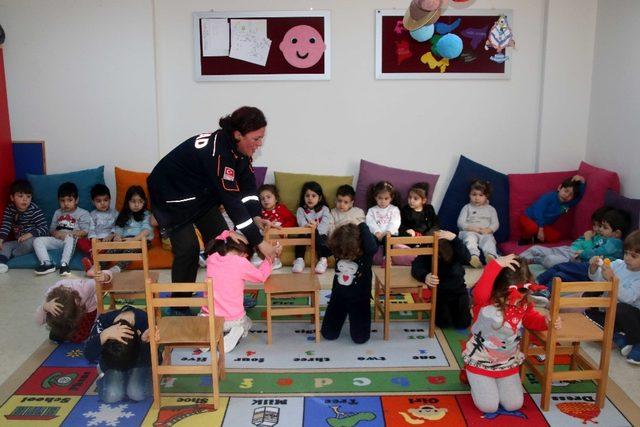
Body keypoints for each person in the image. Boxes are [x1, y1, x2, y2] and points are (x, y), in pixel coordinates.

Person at [147, 107, 278, 309]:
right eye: (256, 139)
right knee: (188, 249)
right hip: (171, 195)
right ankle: (179, 306)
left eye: (262, 138)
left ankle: (226, 296)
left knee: (225, 244)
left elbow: (248, 186)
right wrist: (259, 242)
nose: (259, 144)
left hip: (200, 194)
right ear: (237, 134)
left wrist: (256, 216)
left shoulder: (240, 149)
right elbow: (232, 202)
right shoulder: (220, 155)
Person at [462, 254, 561, 414]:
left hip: (506, 362)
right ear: (497, 288)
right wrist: (494, 266)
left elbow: (530, 319)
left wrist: (546, 322)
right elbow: (479, 293)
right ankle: (471, 376)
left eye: (522, 291)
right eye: (509, 294)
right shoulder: (485, 302)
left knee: (513, 404)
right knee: (489, 406)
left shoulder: (523, 302)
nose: (514, 299)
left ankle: (487, 382)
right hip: (480, 359)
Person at [200, 230, 278, 353]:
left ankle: (207, 336)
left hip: (209, 317)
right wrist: (269, 260)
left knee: (205, 317)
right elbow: (261, 276)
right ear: (244, 253)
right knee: (247, 322)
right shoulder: (241, 262)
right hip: (232, 319)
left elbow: (218, 239)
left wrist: (227, 233)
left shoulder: (211, 258)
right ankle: (237, 329)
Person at [533, 208, 629, 293]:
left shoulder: (615, 243)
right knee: (560, 275)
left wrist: (582, 253)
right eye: (601, 226)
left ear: (617, 233)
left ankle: (537, 281)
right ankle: (545, 291)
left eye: (605, 227)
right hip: (587, 268)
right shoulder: (604, 239)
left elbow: (596, 252)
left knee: (560, 267)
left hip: (593, 270)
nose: (600, 229)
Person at [586, 230, 640, 365]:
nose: (627, 258)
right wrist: (594, 269)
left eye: (633, 256)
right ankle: (620, 338)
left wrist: (612, 279)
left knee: (621, 308)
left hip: (634, 318)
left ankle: (637, 342)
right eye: (626, 253)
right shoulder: (618, 265)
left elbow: (628, 298)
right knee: (588, 313)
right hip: (615, 315)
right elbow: (599, 282)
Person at [321, 222, 378, 344]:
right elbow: (323, 249)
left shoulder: (367, 248)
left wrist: (363, 226)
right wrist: (315, 230)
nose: (344, 256)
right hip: (338, 297)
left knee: (360, 339)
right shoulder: (339, 245)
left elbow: (373, 247)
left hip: (360, 299)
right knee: (328, 334)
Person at [84, 305, 151, 403]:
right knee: (112, 395)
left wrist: (144, 343)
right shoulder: (103, 321)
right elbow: (88, 355)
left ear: (138, 332)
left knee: (137, 394)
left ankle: (128, 378)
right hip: (112, 364)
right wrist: (103, 335)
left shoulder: (146, 322)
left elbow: (156, 359)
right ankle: (106, 375)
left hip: (139, 362)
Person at [522, 206, 626, 269]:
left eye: (603, 227)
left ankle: (535, 260)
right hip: (572, 251)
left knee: (550, 260)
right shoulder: (602, 237)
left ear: (616, 233)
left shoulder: (612, 243)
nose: (599, 229)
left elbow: (593, 252)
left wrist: (587, 241)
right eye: (598, 226)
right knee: (535, 248)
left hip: (577, 258)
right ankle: (514, 261)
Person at [411, 230, 472, 329]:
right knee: (443, 323)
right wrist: (425, 276)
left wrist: (455, 239)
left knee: (463, 323)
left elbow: (467, 258)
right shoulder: (428, 249)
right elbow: (416, 266)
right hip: (441, 293)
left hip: (459, 292)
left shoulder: (454, 246)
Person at [35, 269, 114, 343]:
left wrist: (105, 276)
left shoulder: (85, 288)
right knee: (56, 336)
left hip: (89, 309)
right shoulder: (50, 299)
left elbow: (107, 276)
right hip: (69, 315)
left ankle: (91, 269)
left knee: (79, 337)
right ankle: (64, 327)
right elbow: (38, 321)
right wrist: (44, 307)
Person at [33, 182, 92, 276]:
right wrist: (55, 233)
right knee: (37, 240)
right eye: (62, 201)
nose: (66, 203)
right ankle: (47, 263)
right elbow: (52, 229)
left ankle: (64, 264)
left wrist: (68, 234)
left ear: (76, 200)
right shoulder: (57, 212)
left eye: (69, 200)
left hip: (73, 240)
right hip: (58, 240)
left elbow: (85, 231)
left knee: (70, 238)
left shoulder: (83, 213)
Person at [518, 175, 585, 244]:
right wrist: (541, 228)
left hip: (542, 225)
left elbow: (579, 197)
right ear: (559, 188)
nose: (567, 195)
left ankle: (534, 238)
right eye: (566, 191)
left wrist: (582, 182)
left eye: (571, 195)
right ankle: (524, 239)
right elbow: (538, 210)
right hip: (528, 218)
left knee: (555, 237)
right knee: (532, 227)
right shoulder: (550, 196)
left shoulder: (568, 203)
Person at [0, 179, 48, 273]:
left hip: (33, 240)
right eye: (20, 196)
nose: (25, 199)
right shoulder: (10, 210)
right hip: (18, 241)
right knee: (5, 245)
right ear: (12, 197)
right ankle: (2, 262)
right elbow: (6, 225)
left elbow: (44, 228)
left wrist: (29, 234)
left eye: (28, 196)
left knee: (29, 243)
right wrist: (1, 238)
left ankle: (11, 255)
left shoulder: (34, 210)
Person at [457, 179, 499, 268]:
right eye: (474, 194)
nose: (477, 198)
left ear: (486, 196)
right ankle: (473, 256)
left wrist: (489, 230)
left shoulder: (491, 209)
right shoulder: (467, 207)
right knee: (470, 239)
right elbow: (460, 223)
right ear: (469, 195)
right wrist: (472, 228)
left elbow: (495, 223)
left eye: (481, 195)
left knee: (489, 241)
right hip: (470, 231)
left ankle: (490, 256)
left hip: (485, 233)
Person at [293, 181, 332, 274]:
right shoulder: (301, 210)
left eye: (314, 196)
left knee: (324, 239)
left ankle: (323, 260)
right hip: (306, 233)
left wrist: (315, 230)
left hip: (320, 234)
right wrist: (307, 227)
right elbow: (301, 222)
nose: (310, 198)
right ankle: (299, 260)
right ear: (303, 197)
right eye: (307, 196)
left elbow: (325, 224)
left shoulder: (325, 209)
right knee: (300, 237)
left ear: (320, 198)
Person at [81, 184, 118, 272]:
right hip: (96, 240)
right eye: (98, 201)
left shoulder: (114, 213)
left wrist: (111, 235)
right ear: (93, 202)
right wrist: (94, 239)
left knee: (114, 245)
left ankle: (95, 264)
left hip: (109, 240)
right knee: (80, 241)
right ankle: (92, 252)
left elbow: (117, 226)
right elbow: (91, 228)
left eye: (105, 200)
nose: (102, 203)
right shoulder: (92, 214)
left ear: (110, 199)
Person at [257, 184, 296, 269]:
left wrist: (283, 229)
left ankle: (275, 259)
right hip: (264, 234)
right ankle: (258, 256)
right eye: (262, 199)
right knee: (256, 235)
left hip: (278, 233)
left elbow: (292, 219)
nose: (265, 200)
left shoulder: (281, 209)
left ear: (276, 199)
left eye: (268, 197)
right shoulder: (260, 212)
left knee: (275, 240)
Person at [365, 181, 402, 249]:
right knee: (368, 238)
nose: (383, 201)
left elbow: (395, 222)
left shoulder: (394, 209)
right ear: (375, 197)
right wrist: (377, 233)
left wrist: (387, 233)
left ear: (391, 198)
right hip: (376, 235)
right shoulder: (371, 210)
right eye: (380, 198)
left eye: (386, 198)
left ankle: (386, 257)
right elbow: (370, 223)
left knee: (388, 240)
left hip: (390, 235)